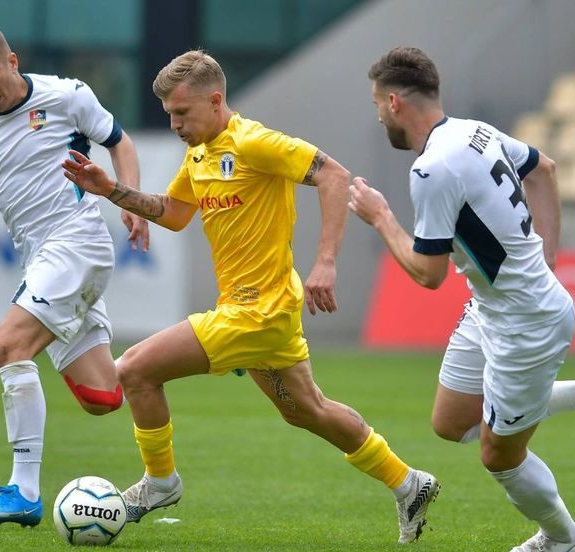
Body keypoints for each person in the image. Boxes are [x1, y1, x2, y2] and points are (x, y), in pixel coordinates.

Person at [61, 49, 439, 544]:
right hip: (257, 313)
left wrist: (325, 262)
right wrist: (112, 190)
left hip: (257, 311)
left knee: (133, 370)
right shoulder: (200, 153)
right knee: (307, 410)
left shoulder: (254, 142)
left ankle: (160, 483)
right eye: (169, 114)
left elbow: (334, 175)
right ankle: (408, 482)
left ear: (216, 101)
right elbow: (175, 212)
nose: (175, 124)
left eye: (182, 112)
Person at [348, 47, 575, 552]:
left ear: (394, 102)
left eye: (377, 103)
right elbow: (544, 169)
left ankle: (562, 539)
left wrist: (380, 218)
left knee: (499, 455)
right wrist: (547, 258)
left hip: (527, 324)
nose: (378, 114)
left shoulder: (431, 169)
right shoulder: (474, 131)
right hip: (492, 307)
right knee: (450, 422)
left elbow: (427, 273)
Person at [0, 24, 149, 527]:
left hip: (77, 243)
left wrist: (130, 200)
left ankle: (23, 492)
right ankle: (197, 351)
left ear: (13, 61)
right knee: (103, 397)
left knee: (9, 346)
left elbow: (120, 142)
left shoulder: (66, 96)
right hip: (41, 258)